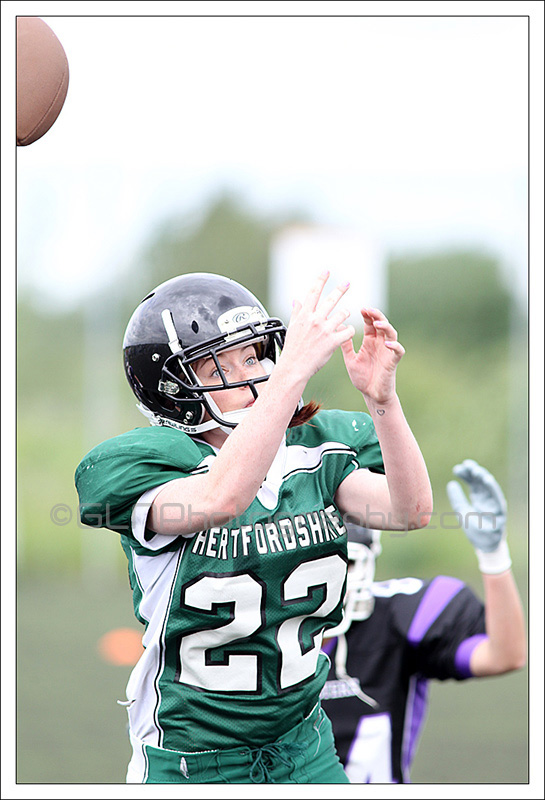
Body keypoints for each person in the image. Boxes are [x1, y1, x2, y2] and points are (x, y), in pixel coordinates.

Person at [74, 270, 433, 784]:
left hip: (304, 749)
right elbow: (220, 498)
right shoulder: (145, 463)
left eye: (253, 356)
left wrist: (383, 401)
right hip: (192, 760)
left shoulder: (313, 448)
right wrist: (293, 373)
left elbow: (409, 510)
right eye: (221, 365)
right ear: (173, 391)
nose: (253, 376)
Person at [319, 459, 526, 784]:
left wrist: (494, 557)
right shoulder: (246, 630)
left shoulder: (397, 619)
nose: (334, 580)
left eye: (347, 564)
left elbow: (505, 655)